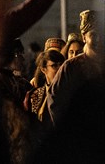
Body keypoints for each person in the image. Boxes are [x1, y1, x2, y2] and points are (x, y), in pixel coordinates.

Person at [40, 9, 104, 160]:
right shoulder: (71, 67)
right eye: (93, 34)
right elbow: (55, 101)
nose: (99, 39)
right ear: (84, 37)